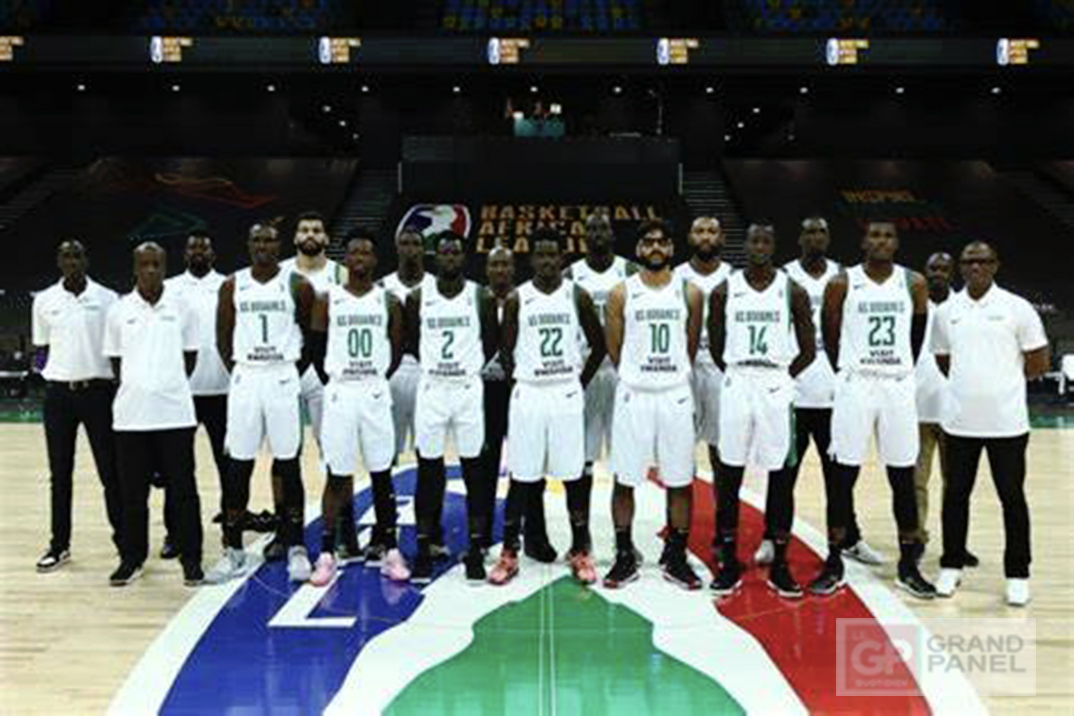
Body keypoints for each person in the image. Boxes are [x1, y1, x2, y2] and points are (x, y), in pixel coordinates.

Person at [809, 219, 936, 599]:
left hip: (896, 385)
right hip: (856, 383)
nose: (881, 241)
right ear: (863, 242)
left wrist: (897, 366)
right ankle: (834, 559)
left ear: (897, 243)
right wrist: (849, 369)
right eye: (875, 235)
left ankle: (908, 564)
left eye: (888, 236)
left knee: (902, 476)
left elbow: (915, 337)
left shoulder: (913, 283)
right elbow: (829, 333)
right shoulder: (841, 282)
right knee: (842, 474)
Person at [757, 216, 882, 567]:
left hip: (835, 395)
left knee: (839, 477)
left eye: (822, 231)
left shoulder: (844, 276)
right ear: (799, 238)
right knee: (782, 474)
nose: (815, 237)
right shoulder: (783, 277)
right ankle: (771, 535)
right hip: (793, 395)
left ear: (829, 238)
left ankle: (849, 538)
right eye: (809, 231)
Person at [932, 241, 1049, 606]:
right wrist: (971, 388)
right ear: (961, 267)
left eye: (983, 261)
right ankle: (951, 565)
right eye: (969, 261)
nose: (976, 267)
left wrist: (999, 387)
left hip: (1007, 424)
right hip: (959, 423)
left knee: (1012, 498)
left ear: (995, 265)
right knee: (955, 496)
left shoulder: (1017, 307)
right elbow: (943, 359)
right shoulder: (946, 312)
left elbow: (1038, 361)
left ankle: (1018, 574)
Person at [488, 228, 607, 586]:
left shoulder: (577, 295)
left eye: (552, 255)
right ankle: (509, 551)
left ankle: (580, 549)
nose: (546, 261)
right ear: (532, 259)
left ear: (562, 258)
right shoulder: (518, 298)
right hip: (529, 393)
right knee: (522, 476)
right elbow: (505, 350)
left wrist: (578, 382)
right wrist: (520, 383)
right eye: (540, 255)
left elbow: (599, 345)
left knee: (573, 476)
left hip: (565, 392)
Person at [707, 223, 816, 598]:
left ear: (774, 246)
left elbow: (808, 349)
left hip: (774, 384)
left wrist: (782, 377)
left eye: (766, 240)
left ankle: (781, 563)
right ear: (745, 245)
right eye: (754, 240)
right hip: (738, 381)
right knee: (729, 473)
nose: (759, 246)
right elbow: (717, 343)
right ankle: (728, 560)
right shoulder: (725, 290)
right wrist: (737, 372)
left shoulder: (792, 290)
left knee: (781, 475)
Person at [205, 220, 316, 584]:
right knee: (238, 464)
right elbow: (223, 338)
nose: (263, 246)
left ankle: (296, 546)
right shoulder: (232, 284)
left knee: (289, 464)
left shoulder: (297, 284)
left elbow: (309, 337)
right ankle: (233, 549)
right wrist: (242, 370)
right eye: (257, 240)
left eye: (269, 240)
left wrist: (289, 370)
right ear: (249, 245)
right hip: (246, 377)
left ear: (278, 245)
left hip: (282, 376)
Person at [603, 219, 704, 590]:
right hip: (635, 394)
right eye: (648, 242)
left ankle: (676, 555)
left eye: (662, 241)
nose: (656, 247)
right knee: (625, 478)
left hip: (674, 393)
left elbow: (690, 346)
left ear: (672, 248)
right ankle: (624, 554)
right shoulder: (621, 293)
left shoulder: (690, 292)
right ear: (639, 249)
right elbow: (615, 349)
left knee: (679, 479)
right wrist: (639, 374)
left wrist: (668, 373)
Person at [309, 228, 409, 586]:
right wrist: (336, 379)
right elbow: (316, 348)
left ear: (375, 259)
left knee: (382, 473)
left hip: (374, 392)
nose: (360, 259)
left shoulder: (388, 301)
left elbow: (396, 350)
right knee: (337, 474)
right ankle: (326, 552)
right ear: (346, 258)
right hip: (341, 392)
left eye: (366, 253)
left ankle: (390, 550)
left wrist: (375, 378)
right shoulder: (328, 298)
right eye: (354, 253)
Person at [162, 233, 272, 559]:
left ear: (213, 253)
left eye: (204, 247)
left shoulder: (228, 285)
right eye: (193, 247)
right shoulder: (169, 288)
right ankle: (175, 533)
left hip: (225, 391)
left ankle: (230, 528)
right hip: (182, 393)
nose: (198, 251)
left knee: (230, 467)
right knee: (177, 469)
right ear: (185, 253)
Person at [103, 242, 203, 586]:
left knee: (184, 493)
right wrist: (142, 388)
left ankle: (191, 559)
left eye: (156, 264)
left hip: (175, 415)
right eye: (144, 264)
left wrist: (165, 386)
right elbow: (116, 363)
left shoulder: (183, 307)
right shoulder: (118, 310)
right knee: (133, 496)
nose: (150, 270)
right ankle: (131, 559)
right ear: (135, 268)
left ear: (164, 266)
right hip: (131, 418)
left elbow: (190, 358)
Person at [405, 231, 499, 584]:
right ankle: (424, 548)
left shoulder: (480, 296)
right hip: (432, 389)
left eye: (455, 253)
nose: (449, 258)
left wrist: (466, 367)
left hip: (466, 390)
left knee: (474, 470)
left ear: (464, 257)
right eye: (443, 252)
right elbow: (412, 341)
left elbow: (490, 342)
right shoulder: (418, 297)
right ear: (435, 257)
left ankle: (474, 549)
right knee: (428, 471)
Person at [32, 240, 123, 573]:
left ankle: (125, 543)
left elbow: (118, 350)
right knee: (60, 474)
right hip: (59, 396)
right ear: (59, 261)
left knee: (110, 472)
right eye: (66, 256)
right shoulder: (44, 300)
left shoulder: (108, 299)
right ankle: (59, 545)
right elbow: (41, 349)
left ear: (86, 260)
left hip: (98, 393)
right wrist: (55, 374)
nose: (72, 261)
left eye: (77, 256)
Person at [265, 211, 346, 562]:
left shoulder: (341, 274)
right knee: (284, 454)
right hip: (287, 369)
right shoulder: (280, 273)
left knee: (335, 452)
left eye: (316, 229)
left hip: (325, 372)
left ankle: (341, 526)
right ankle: (284, 528)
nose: (310, 234)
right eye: (304, 229)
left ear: (326, 238)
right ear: (295, 237)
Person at [672, 216, 732, 565]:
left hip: (721, 370)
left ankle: (724, 532)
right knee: (679, 454)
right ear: (690, 236)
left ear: (721, 238)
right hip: (683, 371)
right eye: (699, 231)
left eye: (711, 231)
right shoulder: (675, 277)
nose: (706, 236)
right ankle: (677, 533)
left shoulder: (734, 278)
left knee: (722, 455)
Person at [913, 251, 978, 565]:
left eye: (943, 269)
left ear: (952, 273)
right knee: (915, 483)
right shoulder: (912, 305)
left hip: (955, 411)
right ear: (925, 271)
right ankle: (916, 539)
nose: (938, 273)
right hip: (916, 409)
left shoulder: (965, 307)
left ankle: (956, 545)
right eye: (933, 268)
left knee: (956, 486)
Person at [565, 213, 635, 478]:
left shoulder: (630, 271)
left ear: (612, 234)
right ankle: (583, 506)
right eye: (592, 229)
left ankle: (621, 506)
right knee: (582, 457)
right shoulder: (570, 275)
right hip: (586, 372)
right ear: (583, 236)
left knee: (623, 455)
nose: (597, 234)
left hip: (621, 372)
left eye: (603, 228)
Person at [382, 227, 430, 459]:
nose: (410, 249)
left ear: (424, 249)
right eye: (405, 243)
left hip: (426, 368)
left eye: (415, 244)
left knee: (427, 448)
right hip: (392, 368)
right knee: (386, 448)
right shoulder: (382, 287)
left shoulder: (436, 287)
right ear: (397, 248)